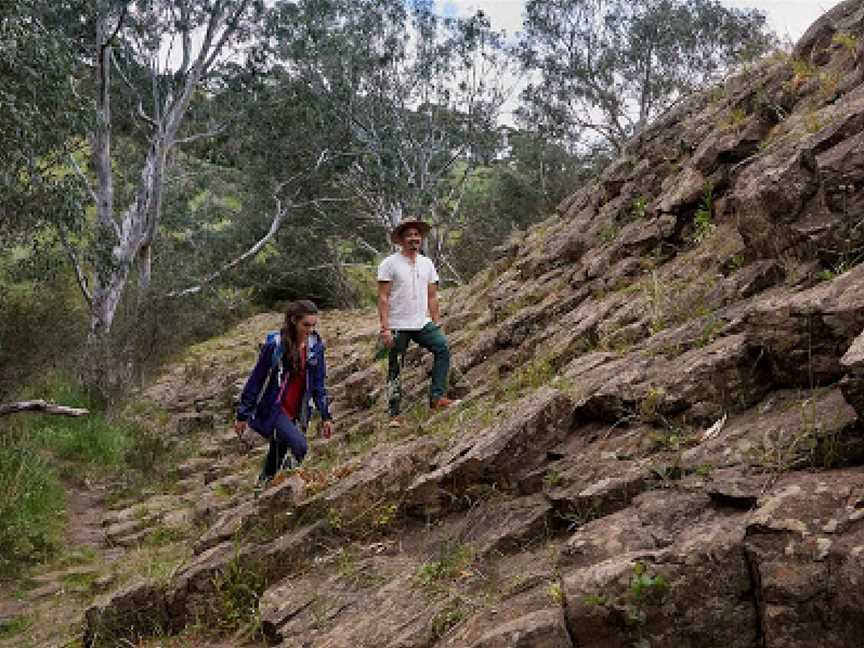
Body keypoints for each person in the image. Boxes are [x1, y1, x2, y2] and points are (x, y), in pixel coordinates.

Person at [234, 300, 334, 490]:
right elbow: (256, 379)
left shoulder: (315, 347)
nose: (310, 330)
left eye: (314, 325)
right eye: (306, 325)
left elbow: (319, 384)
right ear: (293, 321)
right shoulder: (275, 346)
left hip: (297, 409)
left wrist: (326, 416)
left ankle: (262, 489)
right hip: (274, 408)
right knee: (300, 446)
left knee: (277, 453)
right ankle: (287, 485)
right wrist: (242, 414)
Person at [377, 217, 458, 427]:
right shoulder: (389, 264)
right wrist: (385, 328)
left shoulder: (427, 263)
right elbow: (383, 297)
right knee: (396, 367)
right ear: (402, 239)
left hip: (422, 322)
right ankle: (394, 414)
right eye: (409, 235)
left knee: (442, 348)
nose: (414, 238)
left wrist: (436, 320)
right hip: (397, 324)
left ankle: (437, 397)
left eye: (416, 235)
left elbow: (432, 295)